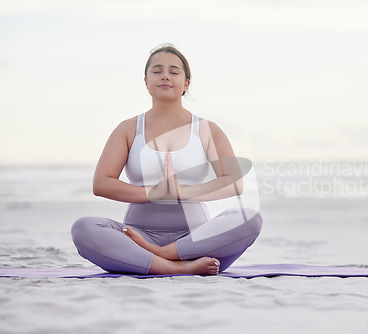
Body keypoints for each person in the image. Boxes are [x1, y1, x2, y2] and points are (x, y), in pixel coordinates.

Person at [71, 44, 263, 276]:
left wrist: (182, 192)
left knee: (250, 217)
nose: (165, 76)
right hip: (137, 237)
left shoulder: (206, 130)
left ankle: (160, 256)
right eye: (157, 70)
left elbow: (234, 182)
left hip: (198, 240)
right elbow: (101, 183)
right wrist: (155, 192)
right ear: (146, 82)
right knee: (83, 228)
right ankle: (176, 266)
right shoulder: (128, 129)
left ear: (186, 84)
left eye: (174, 71)